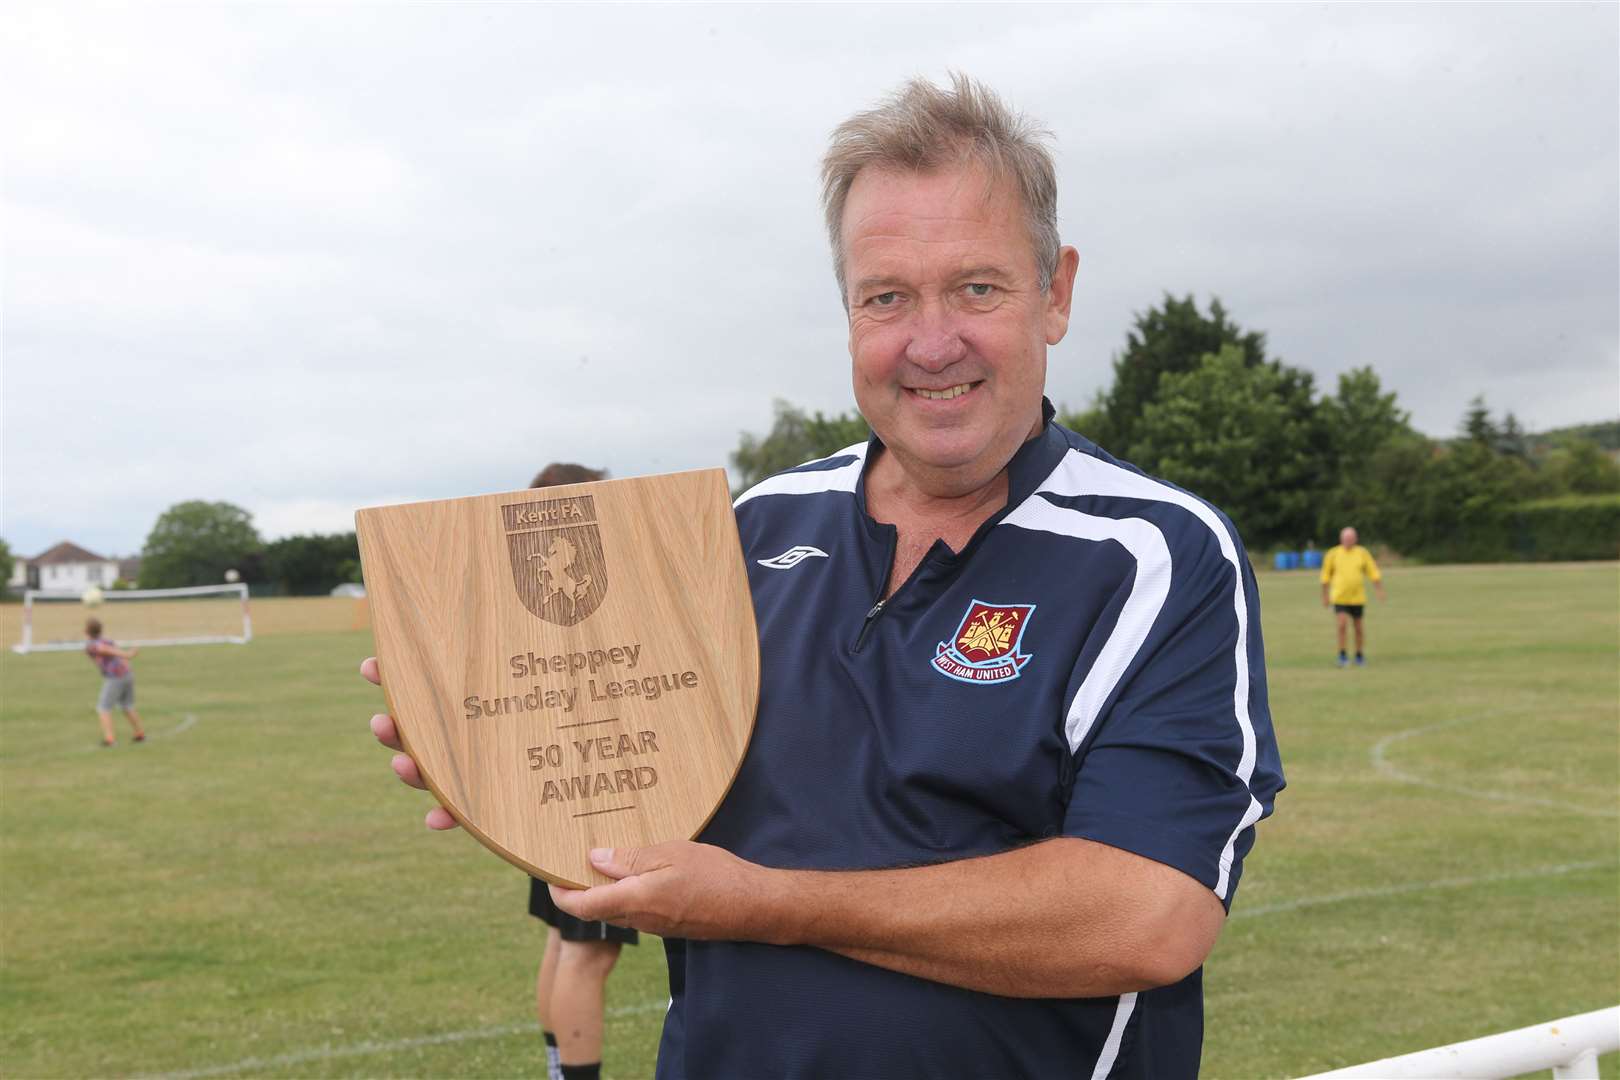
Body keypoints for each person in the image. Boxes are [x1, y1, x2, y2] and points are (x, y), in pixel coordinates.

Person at [364, 74, 1284, 1078]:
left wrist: (767, 904)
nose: (932, 344)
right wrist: (505, 753)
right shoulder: (751, 528)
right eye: (887, 298)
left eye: (976, 288)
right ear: (847, 309)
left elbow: (1146, 914)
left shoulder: (1154, 554)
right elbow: (655, 800)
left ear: (1054, 293)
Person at [523, 462, 637, 1080]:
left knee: (564, 942)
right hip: (595, 790)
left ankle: (554, 1067)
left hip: (560, 791)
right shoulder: (580, 609)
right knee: (587, 954)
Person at [1321, 525, 1385, 666]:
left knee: (1358, 628)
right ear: (1341, 539)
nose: (1348, 541)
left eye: (1350, 538)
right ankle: (1342, 655)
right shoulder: (1333, 554)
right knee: (1342, 625)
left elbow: (1373, 571)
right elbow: (1325, 576)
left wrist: (1379, 589)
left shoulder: (1362, 553)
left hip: (1357, 597)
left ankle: (1359, 655)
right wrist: (1325, 595)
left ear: (1355, 539)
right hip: (1340, 597)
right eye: (1345, 538)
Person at [84, 618, 145, 747]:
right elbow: (106, 649)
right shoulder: (104, 641)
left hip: (115, 677)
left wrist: (127, 655)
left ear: (86, 631)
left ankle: (110, 739)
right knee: (127, 706)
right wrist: (126, 657)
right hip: (127, 674)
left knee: (103, 708)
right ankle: (139, 734)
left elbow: (103, 649)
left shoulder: (92, 645)